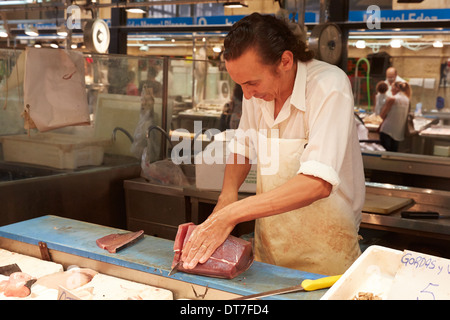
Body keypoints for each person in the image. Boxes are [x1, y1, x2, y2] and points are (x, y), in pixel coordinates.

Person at [180, 13, 365, 276]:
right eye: (241, 85)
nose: (247, 94)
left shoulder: (328, 86)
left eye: (252, 83)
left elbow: (317, 183)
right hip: (271, 247)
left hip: (326, 252)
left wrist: (232, 214)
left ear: (285, 61)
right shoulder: (255, 93)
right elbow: (243, 147)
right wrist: (227, 196)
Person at [379, 82, 411, 152]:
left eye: (392, 88)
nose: (391, 90)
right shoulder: (407, 99)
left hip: (387, 130)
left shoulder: (392, 99)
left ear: (397, 88)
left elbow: (382, 115)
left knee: (385, 154)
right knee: (393, 154)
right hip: (398, 132)